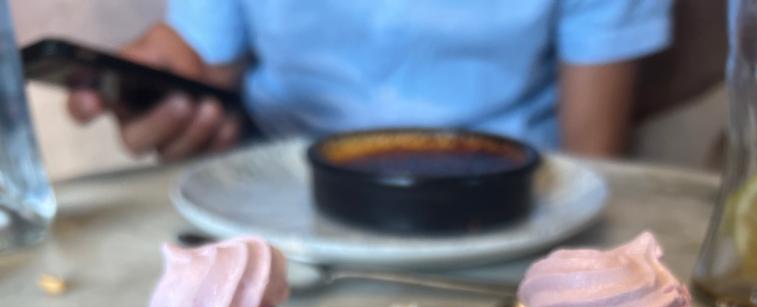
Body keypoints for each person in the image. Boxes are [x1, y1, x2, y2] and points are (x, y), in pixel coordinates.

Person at [68, 0, 673, 161]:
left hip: (508, 203)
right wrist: (169, 102)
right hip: (284, 197)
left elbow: (595, 161)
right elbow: (207, 84)